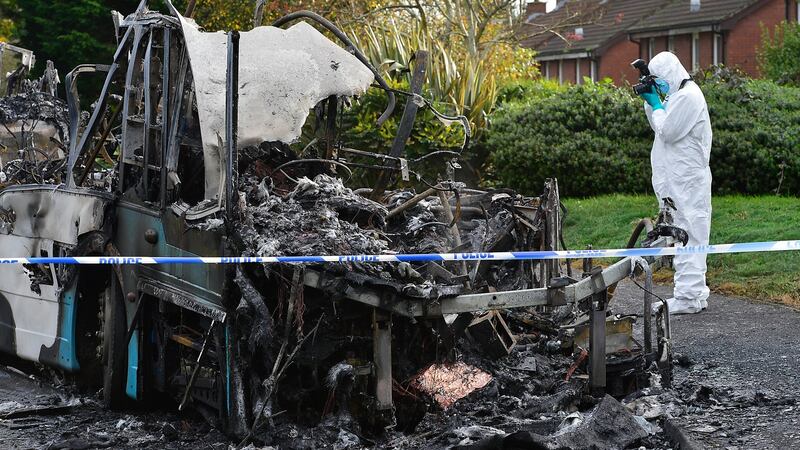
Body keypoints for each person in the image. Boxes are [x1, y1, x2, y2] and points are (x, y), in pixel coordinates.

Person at [640, 51, 712, 315]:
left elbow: (668, 131)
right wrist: (652, 103)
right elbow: (659, 125)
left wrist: (656, 105)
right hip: (677, 182)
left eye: (659, 80)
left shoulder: (689, 96)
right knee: (681, 235)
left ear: (671, 73)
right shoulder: (675, 97)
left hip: (689, 183)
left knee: (689, 234)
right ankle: (693, 293)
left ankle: (688, 298)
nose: (658, 85)